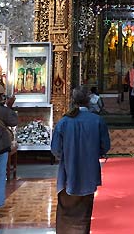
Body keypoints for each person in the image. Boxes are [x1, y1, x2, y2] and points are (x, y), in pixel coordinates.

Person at [51, 87, 111, 234]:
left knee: (66, 213)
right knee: (84, 213)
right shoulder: (97, 120)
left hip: (67, 174)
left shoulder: (64, 122)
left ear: (73, 100)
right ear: (89, 100)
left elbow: (55, 149)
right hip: (89, 173)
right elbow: (105, 146)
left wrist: (68, 156)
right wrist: (91, 153)